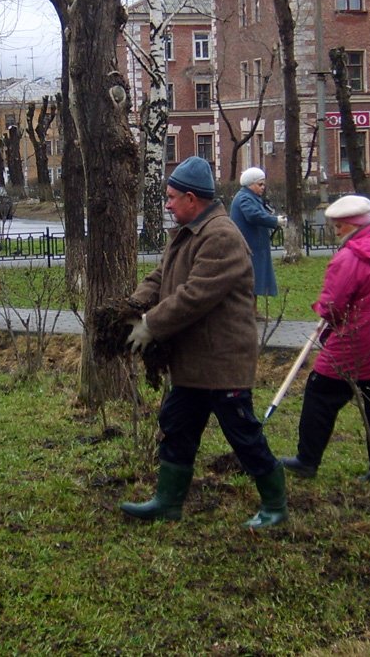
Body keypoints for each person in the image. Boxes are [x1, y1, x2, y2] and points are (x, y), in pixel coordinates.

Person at [119, 156, 287, 530]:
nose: (167, 203)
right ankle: (167, 502)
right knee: (176, 425)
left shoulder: (222, 237)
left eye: (171, 196)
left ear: (192, 199)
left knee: (243, 436)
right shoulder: (187, 231)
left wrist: (151, 323)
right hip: (194, 363)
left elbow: (195, 295)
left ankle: (275, 504)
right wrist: (131, 307)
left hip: (222, 363)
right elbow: (159, 276)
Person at [280, 195, 370, 484]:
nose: (335, 233)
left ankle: (307, 460)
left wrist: (322, 313)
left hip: (354, 342)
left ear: (345, 226)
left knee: (320, 394)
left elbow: (332, 306)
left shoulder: (349, 258)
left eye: (335, 227)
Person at [230, 166, 286, 301]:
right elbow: (253, 216)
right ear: (250, 184)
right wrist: (275, 221)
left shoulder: (249, 197)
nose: (263, 188)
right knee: (251, 279)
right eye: (260, 184)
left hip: (254, 245)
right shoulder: (245, 198)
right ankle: (250, 311)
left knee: (254, 279)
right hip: (250, 246)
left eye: (263, 185)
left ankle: (253, 310)